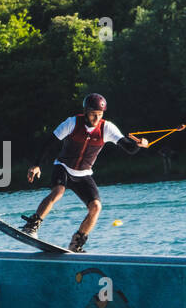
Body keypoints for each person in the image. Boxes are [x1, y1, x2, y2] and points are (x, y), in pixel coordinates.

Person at [22, 93, 167, 252]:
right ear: (85, 112)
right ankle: (32, 226)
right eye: (93, 114)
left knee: (96, 207)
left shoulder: (107, 128)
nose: (97, 118)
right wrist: (36, 165)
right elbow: (49, 142)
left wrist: (140, 144)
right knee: (57, 192)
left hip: (84, 174)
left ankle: (76, 243)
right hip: (63, 166)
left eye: (100, 115)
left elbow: (129, 148)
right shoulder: (72, 123)